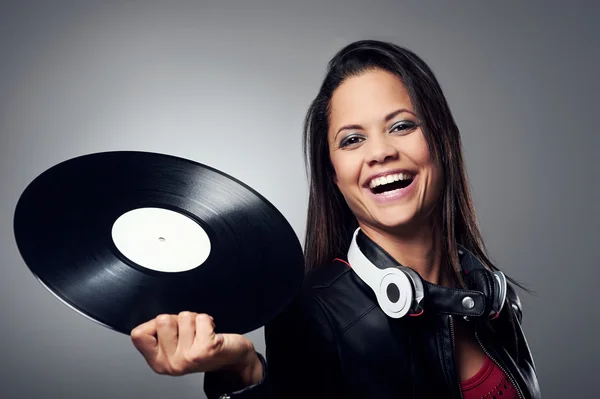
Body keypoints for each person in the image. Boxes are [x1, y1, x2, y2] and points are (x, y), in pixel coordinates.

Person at [130, 40, 541, 398]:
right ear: (335, 175)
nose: (379, 152)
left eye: (401, 126)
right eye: (353, 139)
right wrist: (243, 374)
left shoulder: (493, 299)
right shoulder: (311, 314)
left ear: (443, 143)